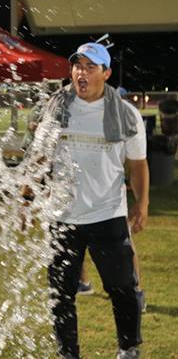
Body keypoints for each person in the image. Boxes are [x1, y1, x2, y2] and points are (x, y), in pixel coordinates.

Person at [45, 42, 148, 359]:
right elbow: (39, 157)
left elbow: (137, 164)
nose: (82, 73)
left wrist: (141, 205)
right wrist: (27, 196)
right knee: (60, 294)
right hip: (62, 216)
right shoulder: (57, 107)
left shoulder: (126, 114)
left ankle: (128, 348)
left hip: (107, 214)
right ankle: (68, 353)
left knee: (122, 290)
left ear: (106, 73)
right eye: (78, 66)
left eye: (91, 67)